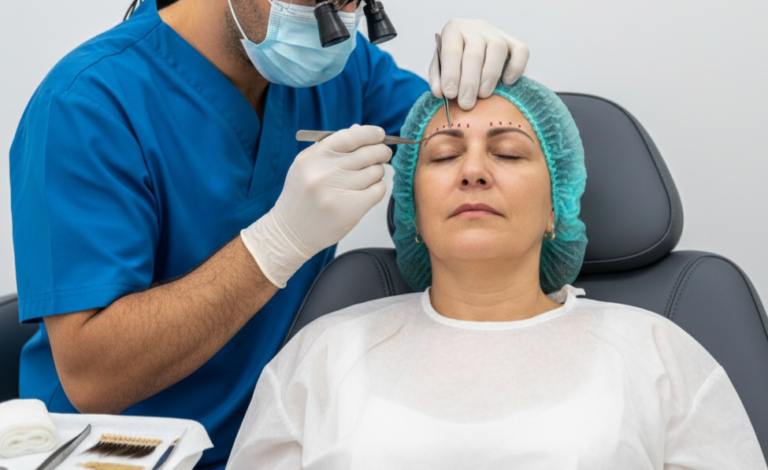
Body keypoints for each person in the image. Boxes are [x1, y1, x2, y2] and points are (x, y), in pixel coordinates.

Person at [9, 0, 528, 468]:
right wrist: (276, 244)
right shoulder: (88, 106)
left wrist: (490, 89)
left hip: (284, 439)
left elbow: (463, 144)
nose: (341, 25)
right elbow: (93, 377)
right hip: (131, 453)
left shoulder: (347, 68)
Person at [227, 77, 766, 469]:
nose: (475, 171)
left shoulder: (658, 351)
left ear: (557, 205)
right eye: (442, 157)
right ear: (411, 210)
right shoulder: (323, 353)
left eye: (507, 152)